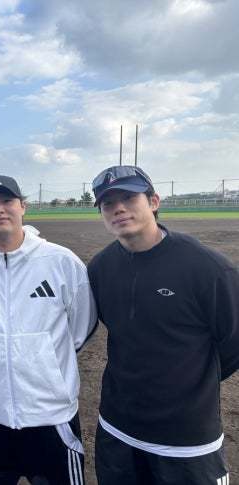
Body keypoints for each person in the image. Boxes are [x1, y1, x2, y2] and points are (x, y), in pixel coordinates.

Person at [88, 165, 239, 485]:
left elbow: (233, 343)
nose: (118, 208)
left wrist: (189, 384)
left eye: (129, 198)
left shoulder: (207, 268)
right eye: (108, 203)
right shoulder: (100, 268)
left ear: (154, 202)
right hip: (117, 430)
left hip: (186, 440)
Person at [0, 175, 97, 485]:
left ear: (23, 207)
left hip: (51, 416)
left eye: (7, 201)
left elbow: (81, 327)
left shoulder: (61, 262)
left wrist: (43, 356)